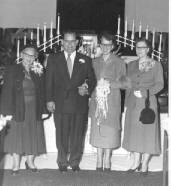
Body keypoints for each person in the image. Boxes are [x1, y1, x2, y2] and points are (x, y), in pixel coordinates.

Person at [46, 31, 96, 173]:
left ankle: (74, 162)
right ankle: (62, 162)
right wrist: (49, 100)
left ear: (77, 43)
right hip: (60, 103)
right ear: (62, 42)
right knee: (61, 134)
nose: (69, 44)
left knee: (77, 134)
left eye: (72, 41)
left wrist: (86, 88)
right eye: (66, 41)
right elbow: (48, 81)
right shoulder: (53, 58)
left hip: (79, 103)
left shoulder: (85, 59)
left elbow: (92, 80)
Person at [0, 45, 47, 175]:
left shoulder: (39, 70)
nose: (29, 58)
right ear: (21, 54)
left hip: (34, 108)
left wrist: (43, 108)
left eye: (32, 56)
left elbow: (43, 91)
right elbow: (6, 92)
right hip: (17, 108)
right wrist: (6, 111)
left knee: (33, 135)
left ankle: (30, 162)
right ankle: (15, 164)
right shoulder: (12, 69)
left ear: (36, 57)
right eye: (26, 54)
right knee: (17, 136)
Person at [122, 38, 164, 175]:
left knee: (148, 134)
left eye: (142, 47)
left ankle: (145, 164)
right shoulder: (131, 65)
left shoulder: (155, 64)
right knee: (134, 134)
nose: (139, 50)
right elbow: (127, 84)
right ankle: (135, 162)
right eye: (137, 47)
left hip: (148, 104)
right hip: (133, 104)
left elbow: (160, 84)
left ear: (148, 49)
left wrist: (146, 92)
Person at [89, 32, 126, 171]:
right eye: (103, 44)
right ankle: (99, 159)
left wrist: (109, 84)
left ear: (113, 46)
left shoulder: (119, 62)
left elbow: (125, 83)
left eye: (108, 45)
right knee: (98, 128)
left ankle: (107, 159)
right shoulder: (94, 61)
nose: (105, 47)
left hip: (112, 101)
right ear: (99, 44)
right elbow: (90, 80)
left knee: (110, 130)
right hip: (97, 101)